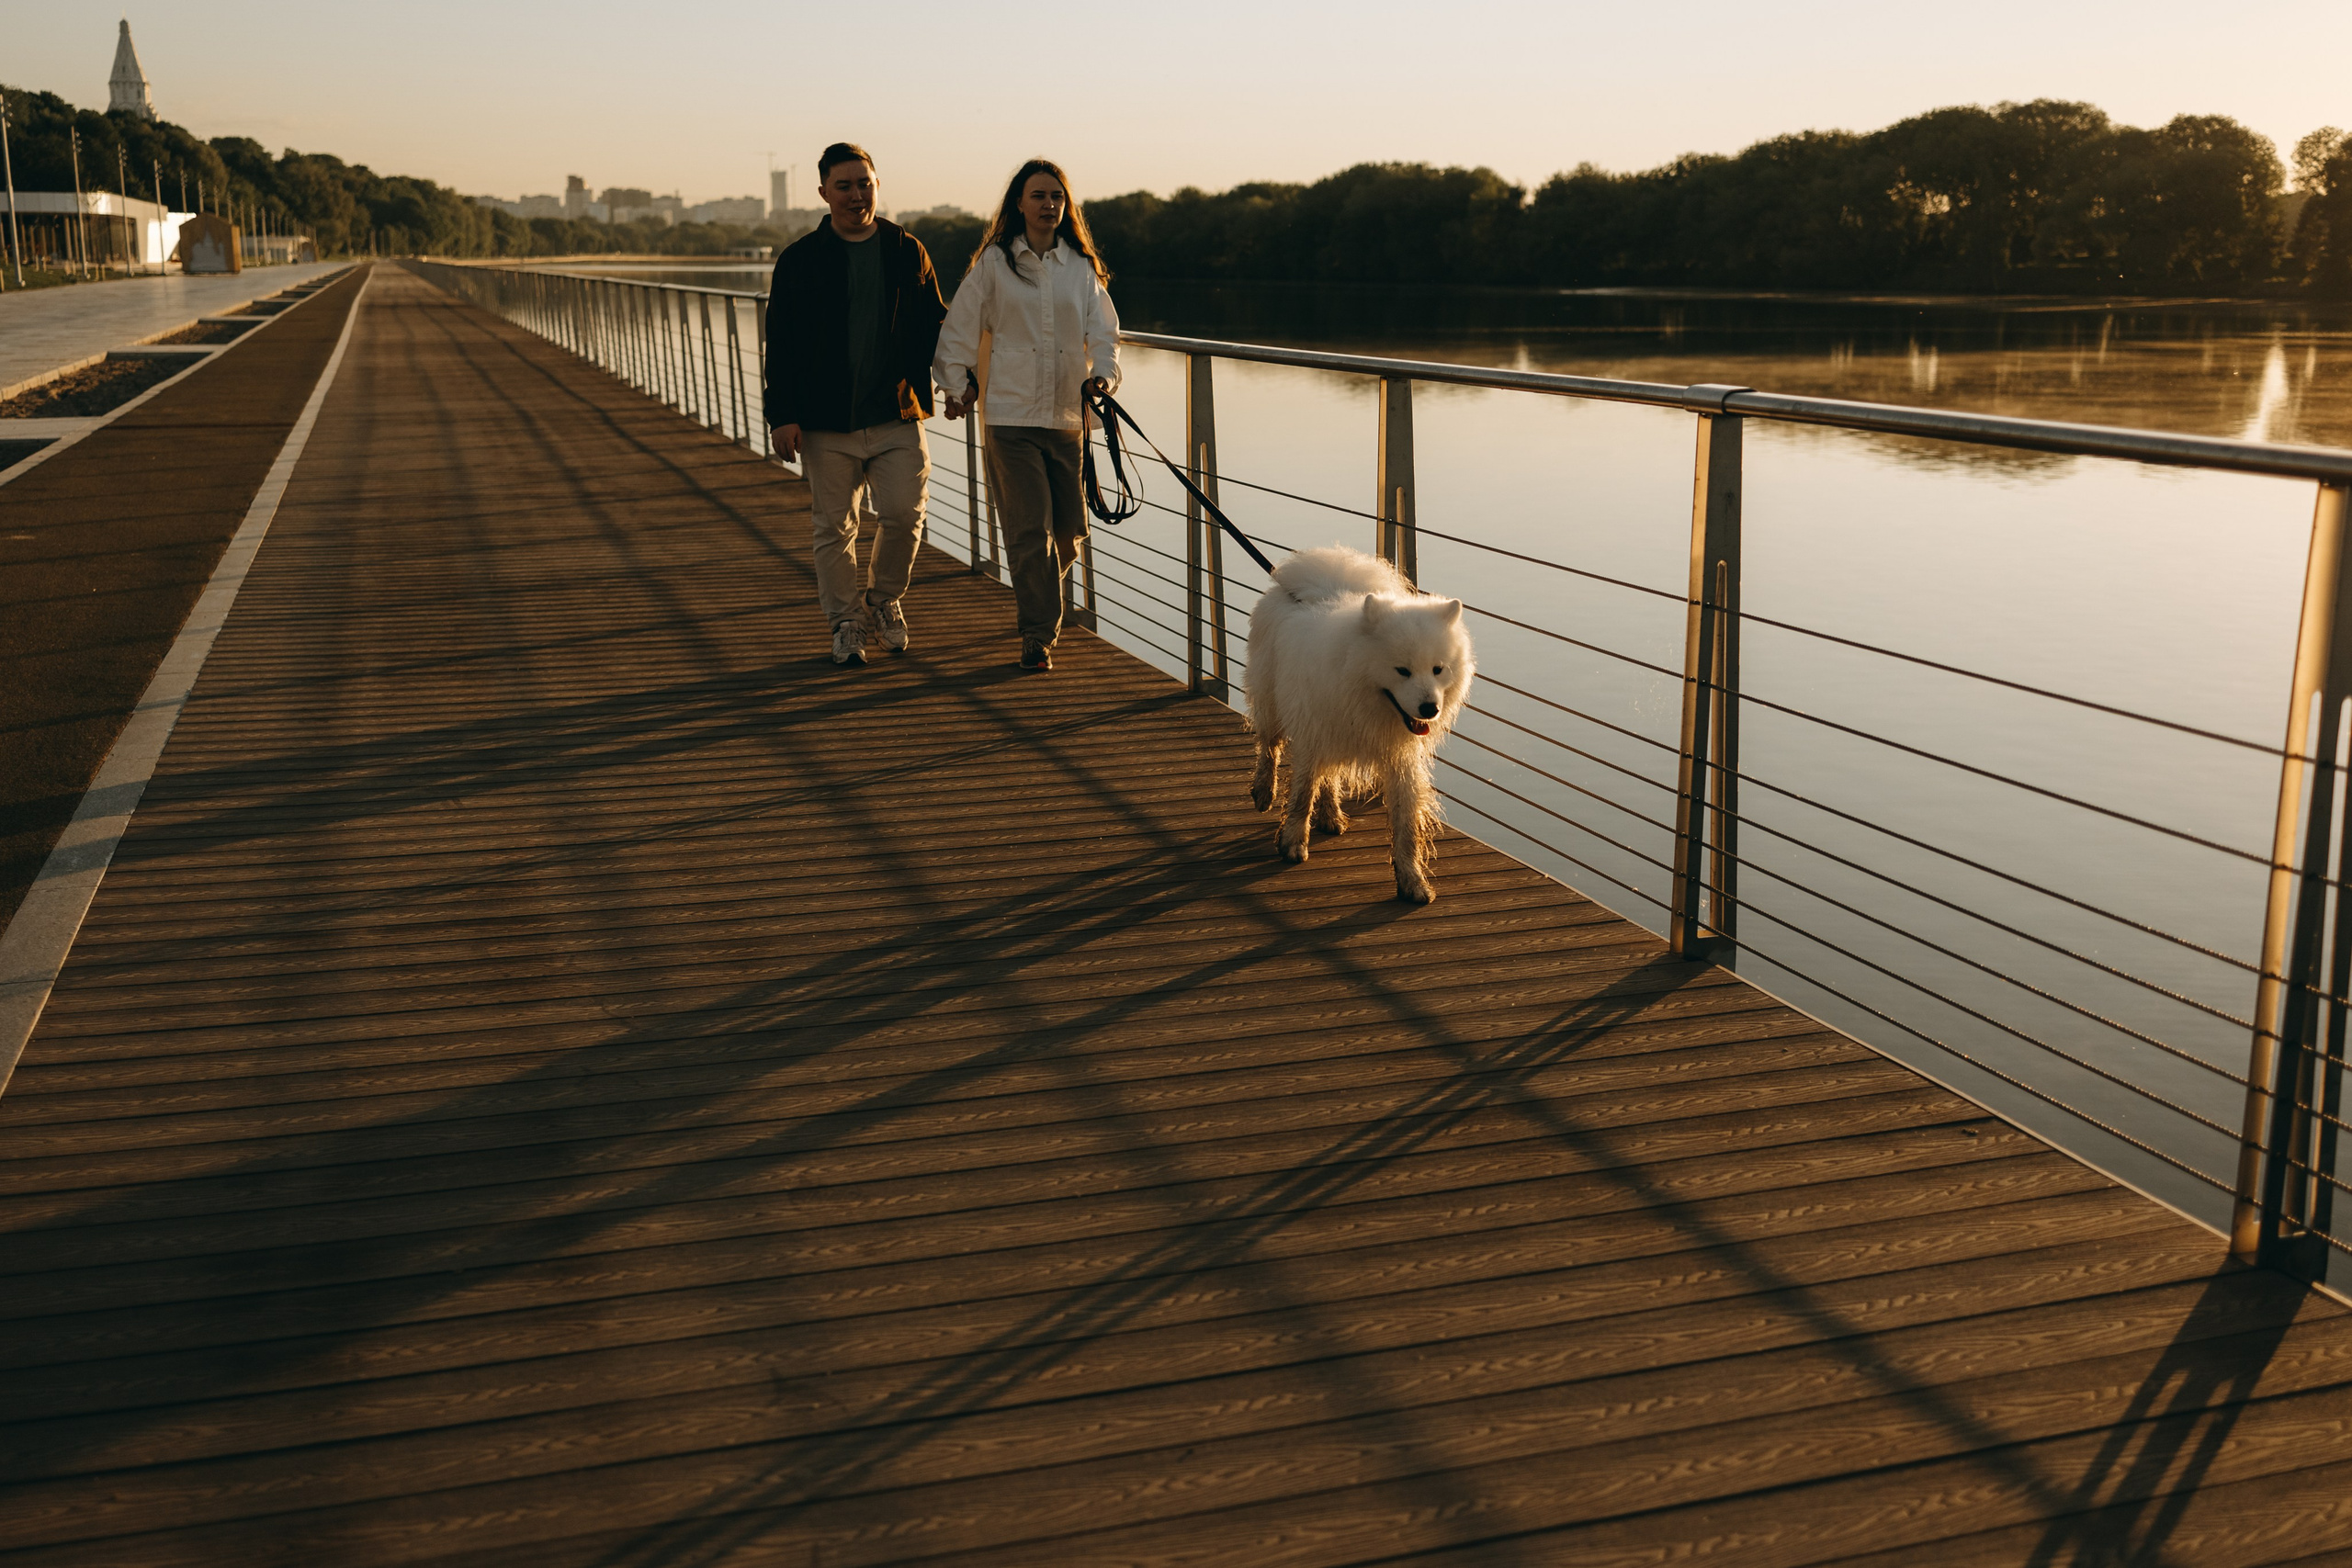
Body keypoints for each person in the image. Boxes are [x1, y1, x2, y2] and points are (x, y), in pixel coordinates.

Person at [934, 159, 1122, 671]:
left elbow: (1104, 335)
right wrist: (957, 385)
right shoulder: (995, 264)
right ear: (1019, 203)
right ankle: (1038, 635)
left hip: (1067, 417)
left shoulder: (1079, 268)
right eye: (1038, 196)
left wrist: (1103, 377)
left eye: (1057, 197)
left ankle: (1041, 609)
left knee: (1069, 535)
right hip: (1011, 417)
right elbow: (958, 330)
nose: (1048, 205)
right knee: (1027, 530)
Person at [765, 142, 948, 666]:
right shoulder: (800, 259)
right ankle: (846, 622)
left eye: (864, 183)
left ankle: (884, 599)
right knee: (834, 527)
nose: (855, 194)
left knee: (904, 514)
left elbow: (935, 324)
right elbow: (780, 343)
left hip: (896, 412)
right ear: (824, 192)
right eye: (843, 186)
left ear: (877, 185)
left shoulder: (904, 248)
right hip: (825, 420)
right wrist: (784, 415)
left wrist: (959, 379)